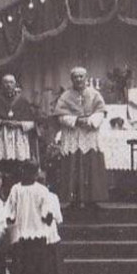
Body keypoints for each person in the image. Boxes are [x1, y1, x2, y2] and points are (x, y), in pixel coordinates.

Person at [53, 67, 109, 208]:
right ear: (72, 79)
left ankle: (93, 199)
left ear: (86, 78)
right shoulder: (65, 96)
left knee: (91, 164)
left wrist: (90, 121)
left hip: (89, 133)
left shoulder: (94, 94)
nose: (78, 79)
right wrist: (76, 120)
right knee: (73, 164)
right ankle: (74, 200)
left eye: (81, 76)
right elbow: (60, 116)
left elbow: (101, 112)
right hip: (73, 133)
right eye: (76, 77)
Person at [5, 159, 54, 274]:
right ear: (36, 173)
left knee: (20, 264)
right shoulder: (42, 190)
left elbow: (10, 210)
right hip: (36, 231)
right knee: (34, 264)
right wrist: (47, 218)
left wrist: (11, 219)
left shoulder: (16, 189)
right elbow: (46, 212)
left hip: (21, 232)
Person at [0, 73, 38, 188]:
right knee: (0, 165)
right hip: (1, 137)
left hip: (18, 137)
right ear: (2, 84)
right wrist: (3, 122)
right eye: (6, 82)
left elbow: (31, 122)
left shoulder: (23, 101)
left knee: (18, 166)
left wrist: (18, 124)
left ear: (15, 84)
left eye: (11, 82)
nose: (8, 85)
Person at [38, 169, 76, 274]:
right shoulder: (52, 197)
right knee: (56, 253)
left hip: (34, 230)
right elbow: (58, 218)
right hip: (49, 230)